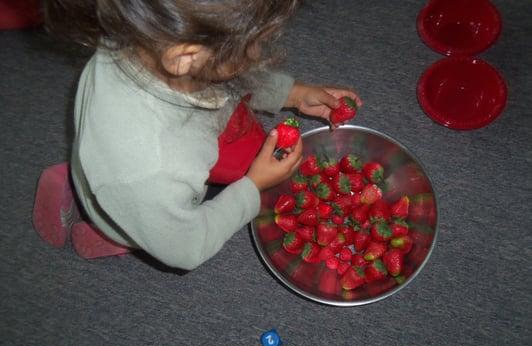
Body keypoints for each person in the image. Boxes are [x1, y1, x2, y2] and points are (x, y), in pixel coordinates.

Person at [33, 0, 362, 270]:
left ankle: (86, 184)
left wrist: (292, 94)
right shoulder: (151, 167)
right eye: (255, 42)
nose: (261, 52)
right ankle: (107, 233)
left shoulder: (141, 32)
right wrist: (252, 187)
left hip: (129, 169)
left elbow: (224, 77)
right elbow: (185, 249)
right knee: (135, 223)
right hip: (138, 199)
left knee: (125, 186)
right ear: (185, 56)